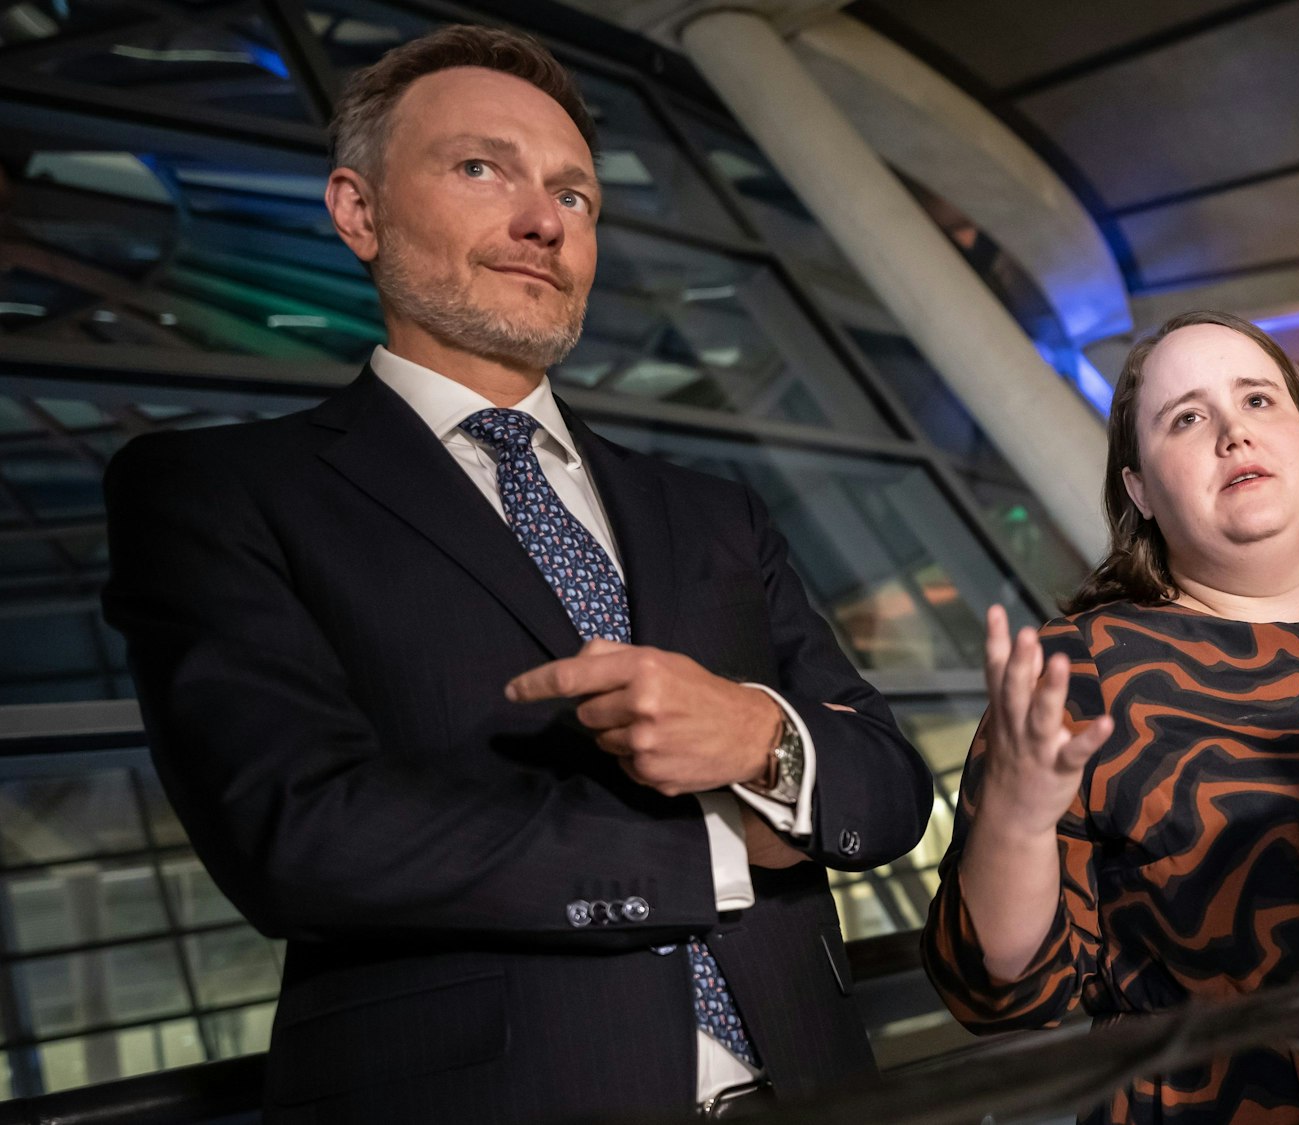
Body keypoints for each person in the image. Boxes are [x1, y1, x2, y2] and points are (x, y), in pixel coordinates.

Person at [100, 26, 932, 1123]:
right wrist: (721, 849)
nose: (544, 220)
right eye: (480, 168)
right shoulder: (218, 490)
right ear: (358, 211)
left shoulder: (710, 509)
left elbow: (888, 785)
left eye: (575, 196)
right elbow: (299, 833)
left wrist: (757, 740)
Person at [921, 310, 1299, 1124]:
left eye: (1259, 401)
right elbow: (1001, 993)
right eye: (1187, 417)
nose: (1233, 432)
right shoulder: (1081, 671)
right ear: (1140, 491)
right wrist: (1016, 819)